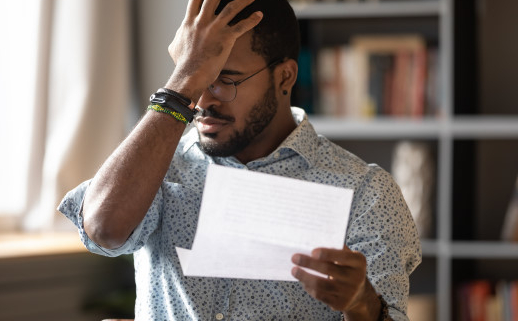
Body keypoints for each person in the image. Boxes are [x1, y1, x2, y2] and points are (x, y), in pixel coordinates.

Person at [58, 0, 422, 320]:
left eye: (223, 80)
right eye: (194, 79)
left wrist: (362, 305)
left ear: (285, 77)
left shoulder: (365, 192)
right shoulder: (159, 167)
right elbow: (103, 230)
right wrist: (182, 81)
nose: (202, 101)